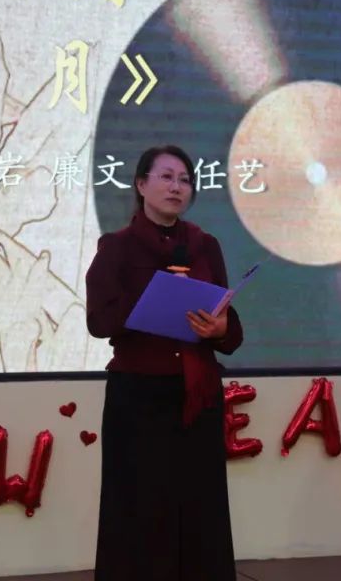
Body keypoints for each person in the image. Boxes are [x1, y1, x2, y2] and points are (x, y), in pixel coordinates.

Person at [86, 144, 243, 581]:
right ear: (141, 185)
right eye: (167, 177)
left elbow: (231, 329)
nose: (177, 187)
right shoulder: (116, 247)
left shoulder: (205, 246)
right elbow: (99, 322)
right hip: (138, 397)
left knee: (200, 511)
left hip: (197, 396)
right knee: (139, 512)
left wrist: (220, 329)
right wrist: (155, 296)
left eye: (185, 180)